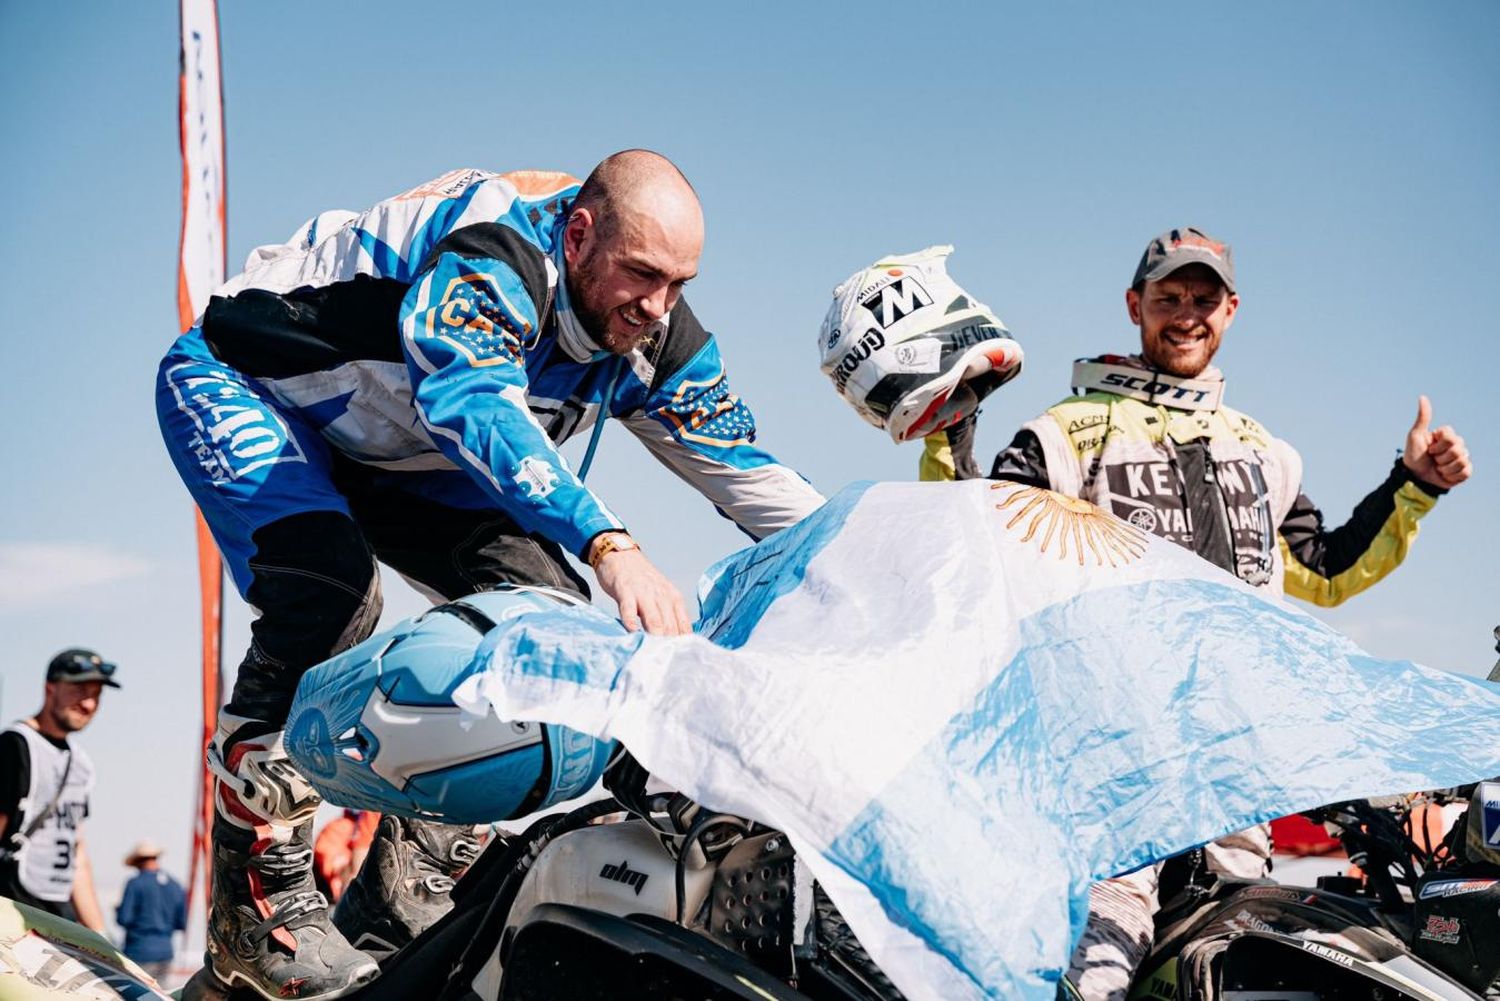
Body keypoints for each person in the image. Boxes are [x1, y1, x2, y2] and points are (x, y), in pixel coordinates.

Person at [156, 150, 824, 1000]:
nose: (656, 308)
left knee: (547, 626)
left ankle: (406, 883)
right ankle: (255, 905)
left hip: (405, 452)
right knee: (328, 592)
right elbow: (469, 401)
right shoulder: (498, 253)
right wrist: (612, 544)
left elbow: (754, 479)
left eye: (679, 282)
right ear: (578, 235)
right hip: (253, 383)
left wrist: (879, 564)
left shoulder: (658, 336)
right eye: (641, 275)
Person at [917, 227, 1472, 998]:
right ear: (1134, 306)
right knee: (1096, 972)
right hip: (1114, 777)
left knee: (1237, 976)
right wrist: (948, 429)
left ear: (1231, 310)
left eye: (1203, 299)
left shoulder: (1261, 451)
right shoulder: (1068, 430)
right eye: (1169, 298)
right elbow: (980, 538)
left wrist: (1412, 484)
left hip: (1236, 788)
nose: (1186, 314)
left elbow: (1325, 569)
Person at [0, 648, 115, 933]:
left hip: (57, 915)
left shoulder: (81, 763)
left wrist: (100, 938)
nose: (89, 704)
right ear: (50, 687)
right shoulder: (15, 746)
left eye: (97, 694)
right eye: (79, 690)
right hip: (14, 911)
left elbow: (78, 854)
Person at [116, 839, 187, 982]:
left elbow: (124, 918)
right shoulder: (174, 885)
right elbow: (182, 922)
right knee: (159, 994)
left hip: (139, 951)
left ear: (138, 862)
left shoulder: (135, 884)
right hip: (165, 951)